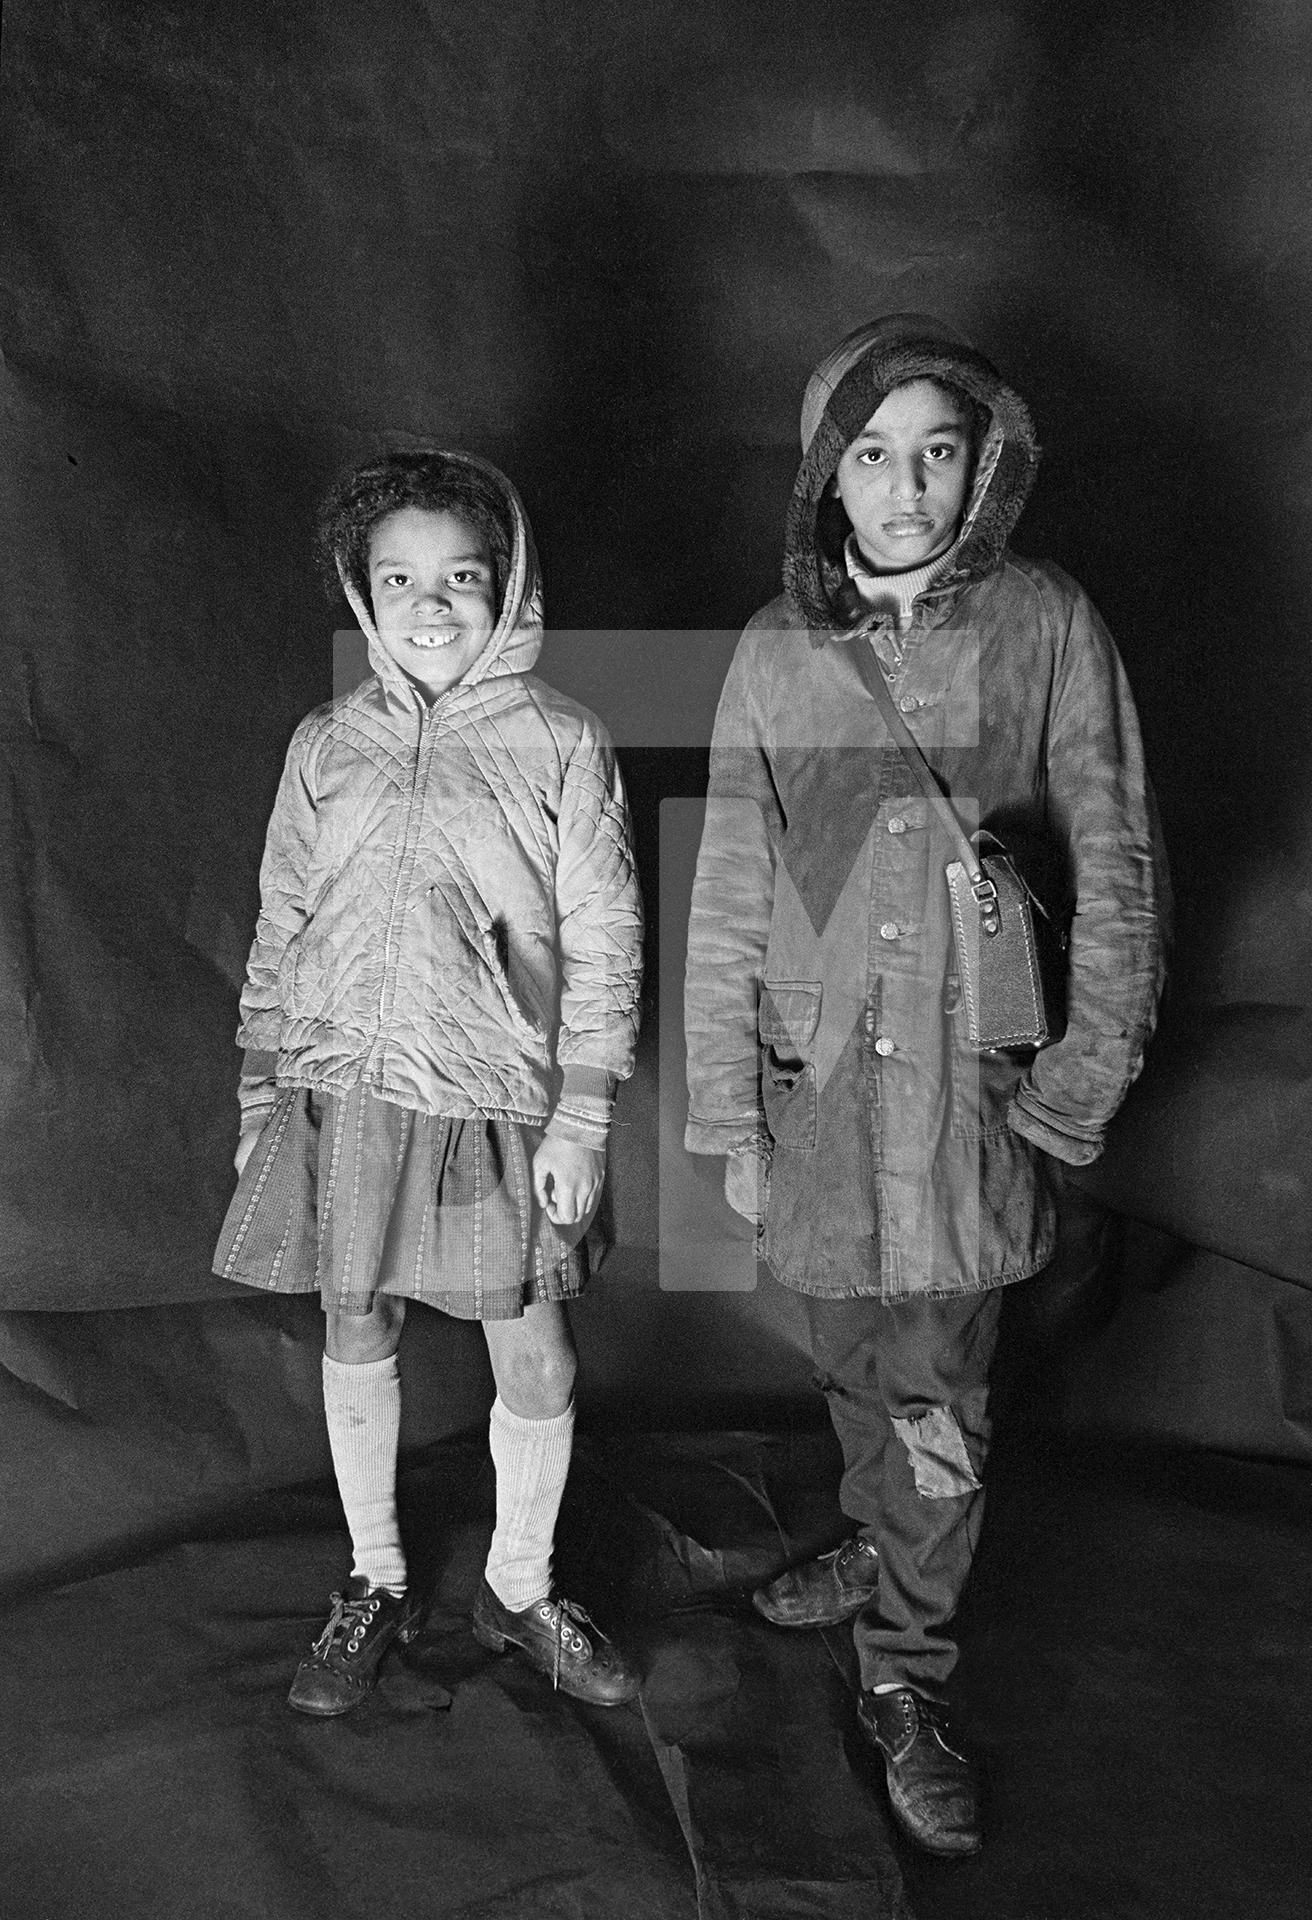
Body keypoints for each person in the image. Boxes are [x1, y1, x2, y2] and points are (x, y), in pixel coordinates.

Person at [683, 314, 1166, 1855]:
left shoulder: (1046, 626)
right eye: (874, 456)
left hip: (968, 1104)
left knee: (941, 1394)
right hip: (820, 1094)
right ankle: (876, 1530)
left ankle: (908, 1667)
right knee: (843, 1352)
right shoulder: (774, 650)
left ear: (987, 468)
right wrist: (725, 1109)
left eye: (938, 454)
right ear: (828, 476)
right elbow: (734, 891)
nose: (905, 488)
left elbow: (1117, 855)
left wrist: (1078, 1080)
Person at [214, 448, 643, 1716]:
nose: (429, 605)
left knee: (541, 1361)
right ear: (362, 590)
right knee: (358, 1324)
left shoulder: (562, 739)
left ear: (506, 588)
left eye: (461, 577)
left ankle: (519, 1584)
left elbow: (604, 933)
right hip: (343, 1091)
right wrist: (257, 1096)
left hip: (496, 1105)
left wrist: (584, 1107)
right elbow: (279, 918)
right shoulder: (326, 743)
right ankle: (375, 1578)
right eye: (398, 578)